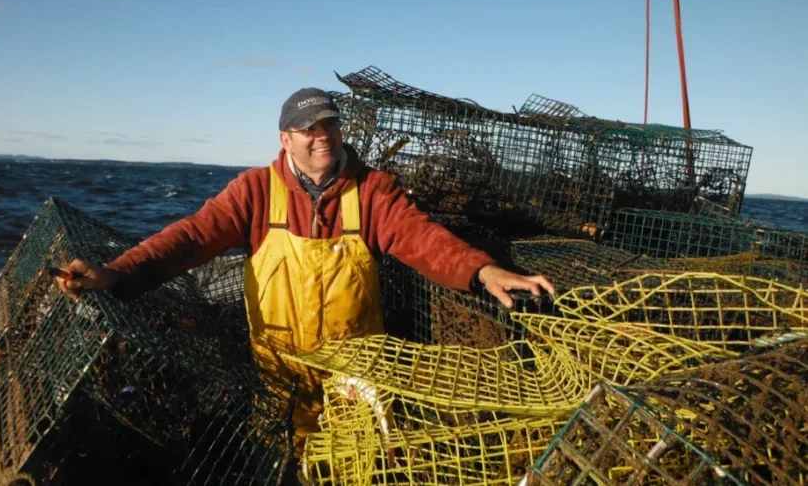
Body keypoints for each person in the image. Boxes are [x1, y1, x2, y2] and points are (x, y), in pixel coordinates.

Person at [55, 87, 555, 474]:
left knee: (361, 465)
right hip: (280, 378)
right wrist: (118, 272)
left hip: (358, 381)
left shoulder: (372, 190)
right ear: (285, 138)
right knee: (291, 464)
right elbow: (189, 238)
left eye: (330, 124)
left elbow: (420, 237)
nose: (322, 135)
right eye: (308, 127)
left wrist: (481, 270)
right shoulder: (253, 191)